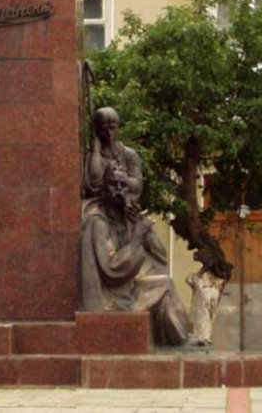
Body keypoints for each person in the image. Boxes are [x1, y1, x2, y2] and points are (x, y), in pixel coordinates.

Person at [80, 108, 191, 346]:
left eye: (114, 126)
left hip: (126, 284)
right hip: (116, 296)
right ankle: (178, 341)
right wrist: (137, 239)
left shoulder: (129, 159)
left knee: (165, 282)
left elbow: (159, 255)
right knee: (165, 288)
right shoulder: (97, 221)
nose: (110, 132)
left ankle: (181, 340)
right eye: (104, 127)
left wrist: (142, 230)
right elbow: (112, 269)